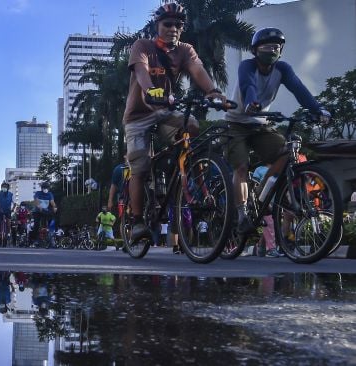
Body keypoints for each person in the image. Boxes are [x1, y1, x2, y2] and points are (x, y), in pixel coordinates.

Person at [123, 3, 225, 243]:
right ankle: (137, 222)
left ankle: (185, 167)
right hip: (138, 116)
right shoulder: (142, 46)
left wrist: (212, 91)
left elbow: (197, 69)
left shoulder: (185, 50)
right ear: (157, 26)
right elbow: (141, 72)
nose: (173, 29)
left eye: (178, 25)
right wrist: (150, 90)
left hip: (165, 111)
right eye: (167, 24)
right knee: (139, 166)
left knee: (191, 125)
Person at [224, 27, 330, 234]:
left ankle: (263, 191)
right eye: (267, 47)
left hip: (261, 123)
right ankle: (242, 213)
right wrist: (251, 102)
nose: (272, 50)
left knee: (287, 153)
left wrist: (318, 109)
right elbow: (248, 85)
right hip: (236, 123)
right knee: (241, 167)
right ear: (255, 50)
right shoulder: (247, 65)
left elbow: (299, 89)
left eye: (276, 47)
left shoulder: (282, 69)